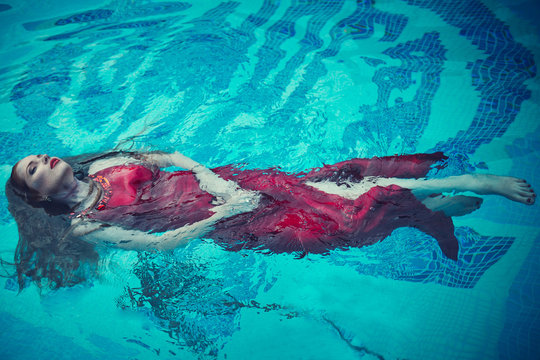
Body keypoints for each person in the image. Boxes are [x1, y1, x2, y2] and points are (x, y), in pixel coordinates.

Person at [5, 150, 536, 289]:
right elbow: (161, 247)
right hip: (234, 224)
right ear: (37, 196)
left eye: (40, 155)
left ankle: (462, 186)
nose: (44, 159)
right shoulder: (86, 226)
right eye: (32, 168)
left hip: (233, 187)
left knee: (337, 192)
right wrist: (220, 217)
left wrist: (213, 181)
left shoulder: (102, 165)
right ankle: (434, 205)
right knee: (340, 227)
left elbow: (170, 158)